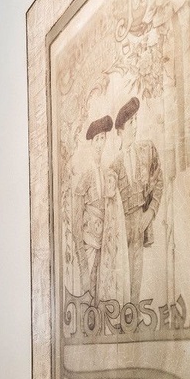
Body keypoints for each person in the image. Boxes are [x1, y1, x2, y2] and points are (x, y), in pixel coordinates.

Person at [112, 96, 163, 306]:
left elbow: (158, 181)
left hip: (141, 222)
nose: (135, 126)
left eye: (136, 121)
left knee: (139, 273)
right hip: (122, 225)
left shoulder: (146, 150)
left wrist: (150, 213)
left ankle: (134, 311)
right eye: (130, 123)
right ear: (120, 131)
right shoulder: (114, 166)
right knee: (123, 275)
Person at [73, 115, 116, 306]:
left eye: (102, 139)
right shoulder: (86, 174)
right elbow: (77, 215)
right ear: (91, 143)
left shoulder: (106, 173)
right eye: (97, 139)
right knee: (88, 282)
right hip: (88, 239)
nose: (100, 144)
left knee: (101, 282)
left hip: (103, 238)